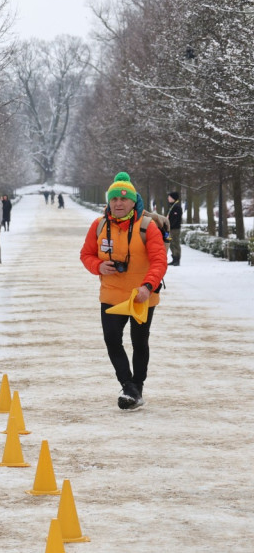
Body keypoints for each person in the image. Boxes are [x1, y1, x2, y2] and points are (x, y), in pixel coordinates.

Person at [80, 172, 167, 410]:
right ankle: (128, 385)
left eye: (123, 199)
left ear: (133, 201)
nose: (118, 203)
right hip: (111, 295)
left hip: (141, 297)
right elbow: (85, 254)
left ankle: (137, 385)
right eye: (114, 199)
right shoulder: (98, 226)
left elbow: (160, 261)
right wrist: (98, 265)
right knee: (111, 340)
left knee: (140, 343)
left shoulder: (147, 227)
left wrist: (148, 287)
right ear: (109, 201)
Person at [166, 191, 183, 265]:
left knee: (175, 243)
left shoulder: (177, 207)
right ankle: (174, 258)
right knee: (171, 243)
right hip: (170, 228)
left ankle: (177, 259)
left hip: (174, 229)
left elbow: (176, 219)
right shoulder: (172, 206)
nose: (168, 198)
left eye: (169, 197)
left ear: (173, 198)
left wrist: (171, 226)